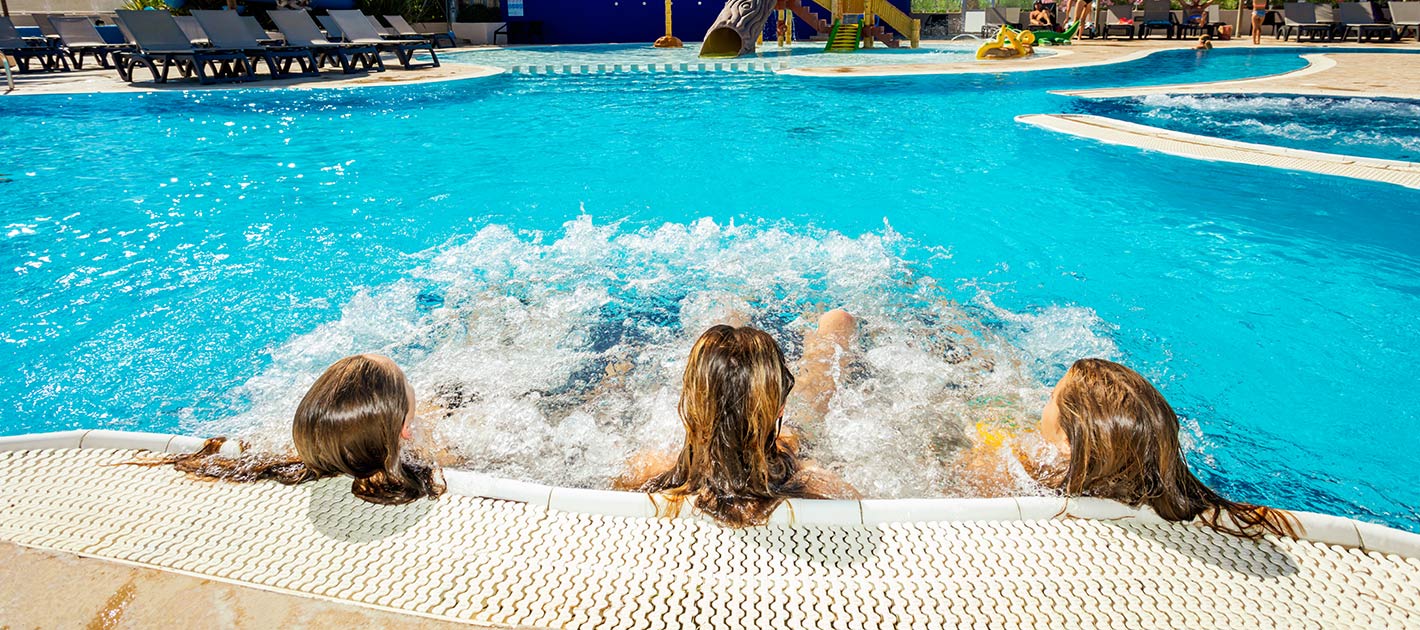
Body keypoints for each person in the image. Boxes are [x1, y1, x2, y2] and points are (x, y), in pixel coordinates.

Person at [963, 358, 1296, 540]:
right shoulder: (1168, 487)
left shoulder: (1020, 469)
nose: (1045, 400)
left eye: (1052, 397)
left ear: (1067, 443)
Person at [615, 311, 858, 527]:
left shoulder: (647, 470)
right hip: (790, 446)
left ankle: (730, 312)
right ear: (781, 407)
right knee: (838, 320)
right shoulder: (815, 482)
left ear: (692, 402)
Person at [150, 354, 445, 505]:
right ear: (405, 428)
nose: (410, 384)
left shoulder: (323, 443)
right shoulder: (431, 449)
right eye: (406, 381)